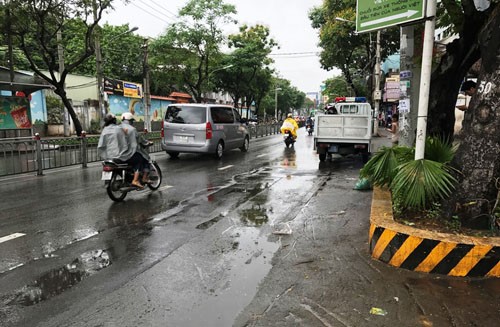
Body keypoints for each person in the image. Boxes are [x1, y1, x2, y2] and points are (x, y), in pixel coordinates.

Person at [120, 112, 148, 189]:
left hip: (116, 155)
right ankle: (135, 180)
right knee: (139, 159)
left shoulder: (117, 128)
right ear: (130, 121)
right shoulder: (132, 129)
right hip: (128, 154)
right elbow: (140, 140)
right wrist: (146, 142)